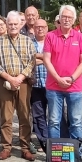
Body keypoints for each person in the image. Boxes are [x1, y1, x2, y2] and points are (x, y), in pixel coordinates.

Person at [43, 5, 82, 162]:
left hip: (74, 86)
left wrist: (71, 78)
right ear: (59, 18)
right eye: (64, 17)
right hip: (54, 86)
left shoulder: (80, 38)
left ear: (74, 19)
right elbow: (46, 59)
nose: (67, 20)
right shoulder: (50, 36)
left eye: (70, 17)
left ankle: (77, 154)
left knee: (76, 121)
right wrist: (57, 78)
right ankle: (55, 155)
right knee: (54, 121)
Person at [0, 11, 37, 161]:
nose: (13, 26)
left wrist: (21, 77)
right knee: (5, 116)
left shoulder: (27, 41)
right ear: (6, 24)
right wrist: (9, 77)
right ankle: (6, 147)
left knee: (24, 115)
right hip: (4, 82)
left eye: (16, 24)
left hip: (23, 83)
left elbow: (32, 61)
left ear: (20, 24)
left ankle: (25, 147)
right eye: (10, 24)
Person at [30, 19, 50, 151]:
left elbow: (56, 58)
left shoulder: (52, 41)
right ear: (33, 29)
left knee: (55, 115)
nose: (40, 29)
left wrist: (39, 57)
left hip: (52, 84)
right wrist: (46, 58)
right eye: (37, 27)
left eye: (43, 27)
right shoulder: (28, 43)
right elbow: (28, 60)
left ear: (47, 28)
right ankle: (44, 142)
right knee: (38, 115)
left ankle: (55, 140)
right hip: (35, 84)